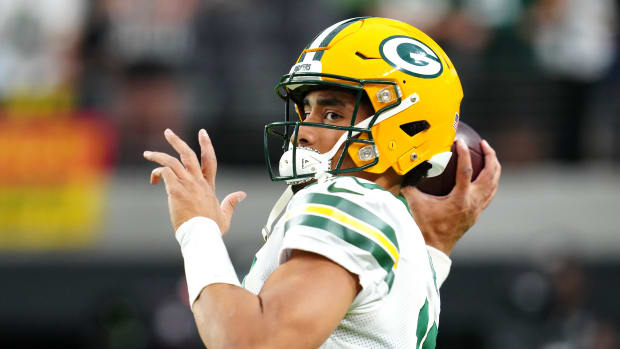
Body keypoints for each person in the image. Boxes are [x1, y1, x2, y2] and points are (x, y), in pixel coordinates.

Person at [144, 17, 500, 349]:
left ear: (406, 125)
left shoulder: (352, 200)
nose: (304, 132)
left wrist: (197, 228)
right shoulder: (406, 242)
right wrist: (436, 247)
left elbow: (251, 342)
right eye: (306, 111)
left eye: (332, 114)